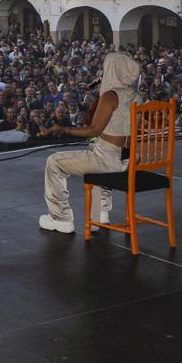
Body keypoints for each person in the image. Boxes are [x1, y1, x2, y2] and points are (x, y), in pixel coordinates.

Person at [38, 52, 141, 234]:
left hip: (107, 159)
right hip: (128, 159)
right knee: (95, 161)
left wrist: (63, 129)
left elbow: (93, 130)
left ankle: (60, 218)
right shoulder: (136, 95)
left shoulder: (110, 96)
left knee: (54, 162)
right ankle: (101, 214)